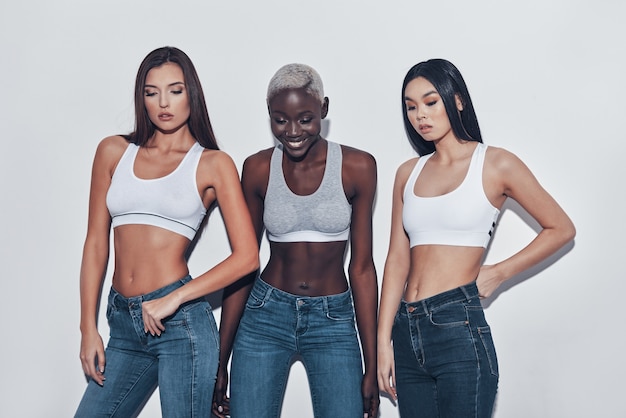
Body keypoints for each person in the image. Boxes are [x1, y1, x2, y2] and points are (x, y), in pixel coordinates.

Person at [377, 58, 576, 418]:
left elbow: (561, 228)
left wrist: (499, 271)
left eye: (430, 101)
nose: (420, 114)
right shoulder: (408, 172)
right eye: (411, 106)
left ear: (457, 100)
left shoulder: (496, 163)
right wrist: (382, 341)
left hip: (458, 328)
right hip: (406, 330)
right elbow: (397, 259)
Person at [74, 46, 258, 418]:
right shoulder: (113, 151)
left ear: (192, 93)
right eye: (151, 91)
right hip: (123, 323)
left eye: (175, 90)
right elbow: (96, 243)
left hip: (180, 325)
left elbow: (247, 257)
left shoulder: (212, 164)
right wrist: (87, 327)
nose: (163, 102)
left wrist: (175, 299)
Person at [212, 63, 380, 418]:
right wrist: (219, 362)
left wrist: (371, 364)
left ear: (324, 109)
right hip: (264, 316)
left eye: (305, 119)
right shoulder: (257, 168)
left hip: (333, 319)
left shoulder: (358, 166)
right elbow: (244, 263)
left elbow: (362, 268)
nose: (292, 131)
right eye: (280, 120)